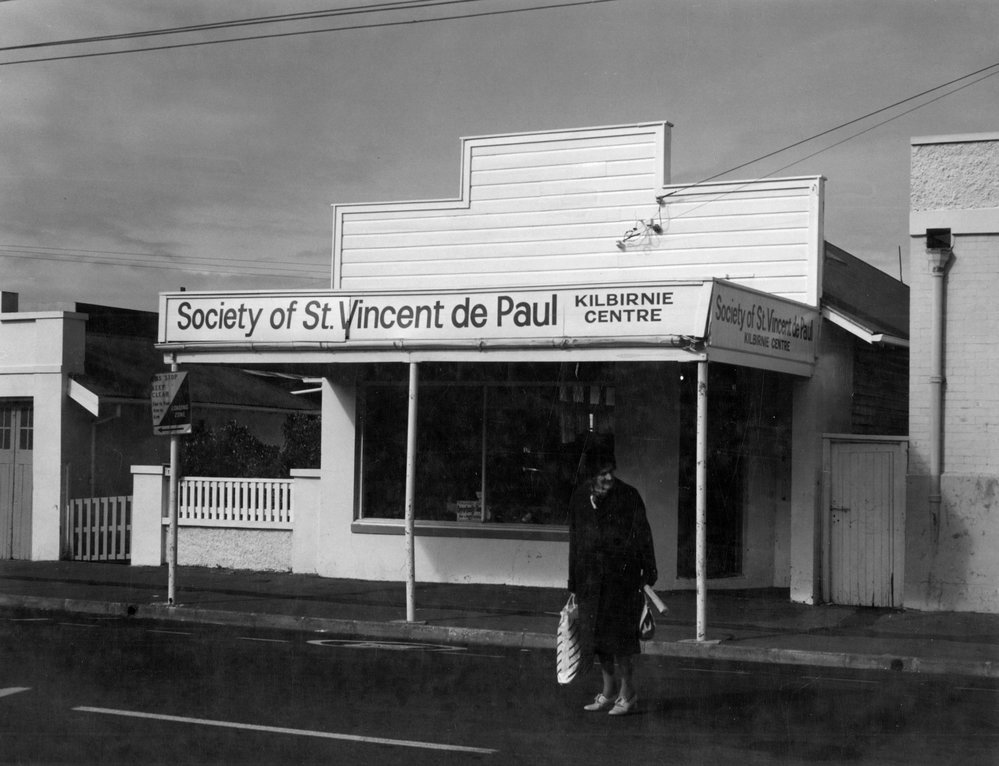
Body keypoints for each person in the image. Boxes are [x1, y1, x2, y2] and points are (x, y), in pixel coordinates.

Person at [567, 441, 657, 716]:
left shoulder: (628, 496)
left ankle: (627, 694)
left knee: (621, 642)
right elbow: (575, 542)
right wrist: (573, 585)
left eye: (610, 471)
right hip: (591, 582)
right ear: (590, 475)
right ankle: (607, 692)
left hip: (621, 581)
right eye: (602, 473)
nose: (608, 477)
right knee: (598, 642)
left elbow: (643, 534)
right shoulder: (580, 498)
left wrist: (648, 571)